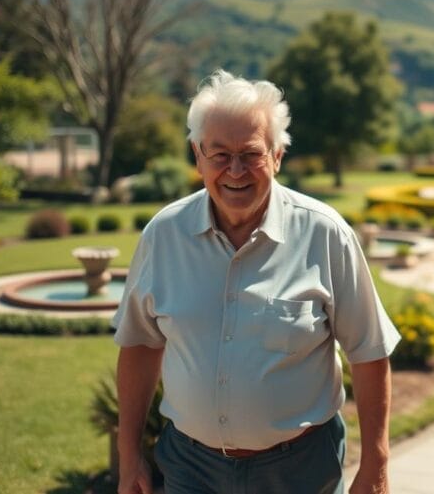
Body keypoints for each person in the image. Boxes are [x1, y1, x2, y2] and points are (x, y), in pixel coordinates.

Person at [113, 70, 400, 494]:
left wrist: (376, 463)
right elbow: (139, 345)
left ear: (277, 155)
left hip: (300, 471)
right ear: (197, 155)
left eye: (251, 154)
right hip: (191, 469)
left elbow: (369, 351)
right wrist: (129, 455)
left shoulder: (325, 234)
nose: (235, 171)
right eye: (219, 155)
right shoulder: (163, 235)